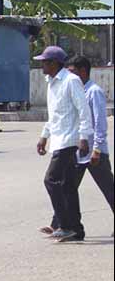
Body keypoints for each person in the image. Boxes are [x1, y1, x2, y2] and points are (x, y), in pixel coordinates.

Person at [40, 56, 114, 237]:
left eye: (72, 71)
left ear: (82, 71)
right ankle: (59, 223)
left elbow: (100, 124)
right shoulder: (69, 88)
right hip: (76, 149)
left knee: (109, 190)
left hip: (94, 152)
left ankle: (63, 224)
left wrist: (96, 148)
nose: (69, 75)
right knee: (67, 186)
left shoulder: (93, 92)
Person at [33, 46, 93, 243]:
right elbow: (54, 115)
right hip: (58, 139)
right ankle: (77, 229)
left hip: (69, 140)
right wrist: (44, 136)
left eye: (45, 61)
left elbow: (83, 110)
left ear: (54, 63)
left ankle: (64, 225)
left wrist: (84, 136)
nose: (42, 64)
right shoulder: (52, 83)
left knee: (50, 180)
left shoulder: (71, 81)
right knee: (67, 186)